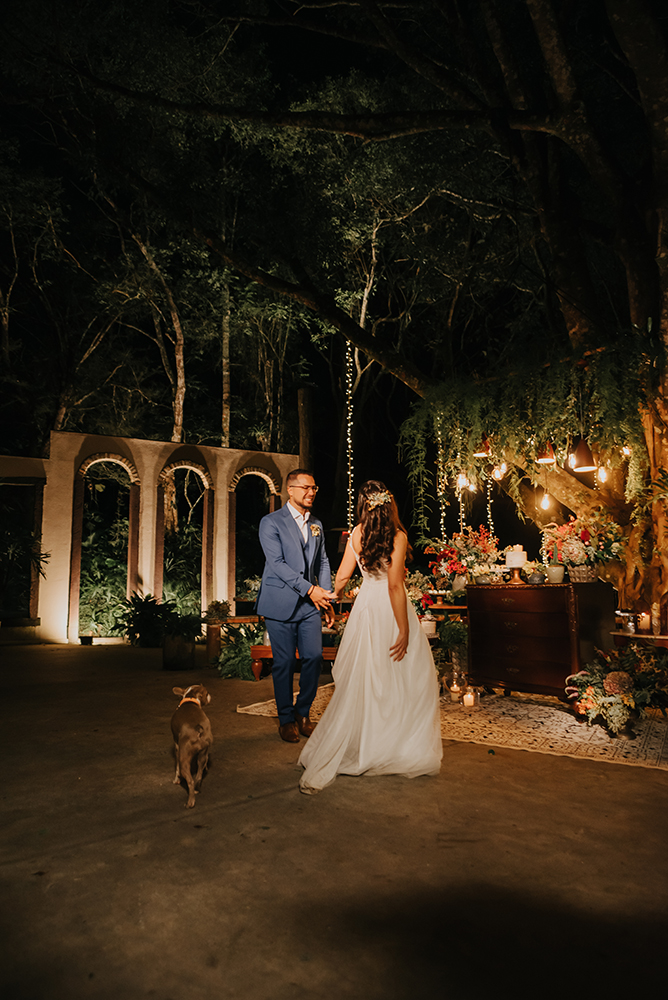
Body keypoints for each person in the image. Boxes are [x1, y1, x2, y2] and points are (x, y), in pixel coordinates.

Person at [298, 480, 442, 794]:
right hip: (390, 610)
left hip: (366, 609)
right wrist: (404, 629)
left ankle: (368, 741)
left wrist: (333, 596)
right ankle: (391, 743)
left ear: (365, 506)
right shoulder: (398, 536)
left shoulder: (357, 532)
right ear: (389, 503)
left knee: (366, 678)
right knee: (403, 676)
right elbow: (394, 586)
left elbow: (343, 575)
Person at [256, 469, 334, 743]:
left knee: (313, 657)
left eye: (314, 488)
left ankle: (303, 713)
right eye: (306, 487)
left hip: (309, 604)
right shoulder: (271, 522)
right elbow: (276, 565)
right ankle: (286, 719)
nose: (311, 492)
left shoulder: (317, 525)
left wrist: (325, 595)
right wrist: (311, 589)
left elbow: (322, 561)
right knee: (285, 662)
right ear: (290, 490)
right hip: (280, 602)